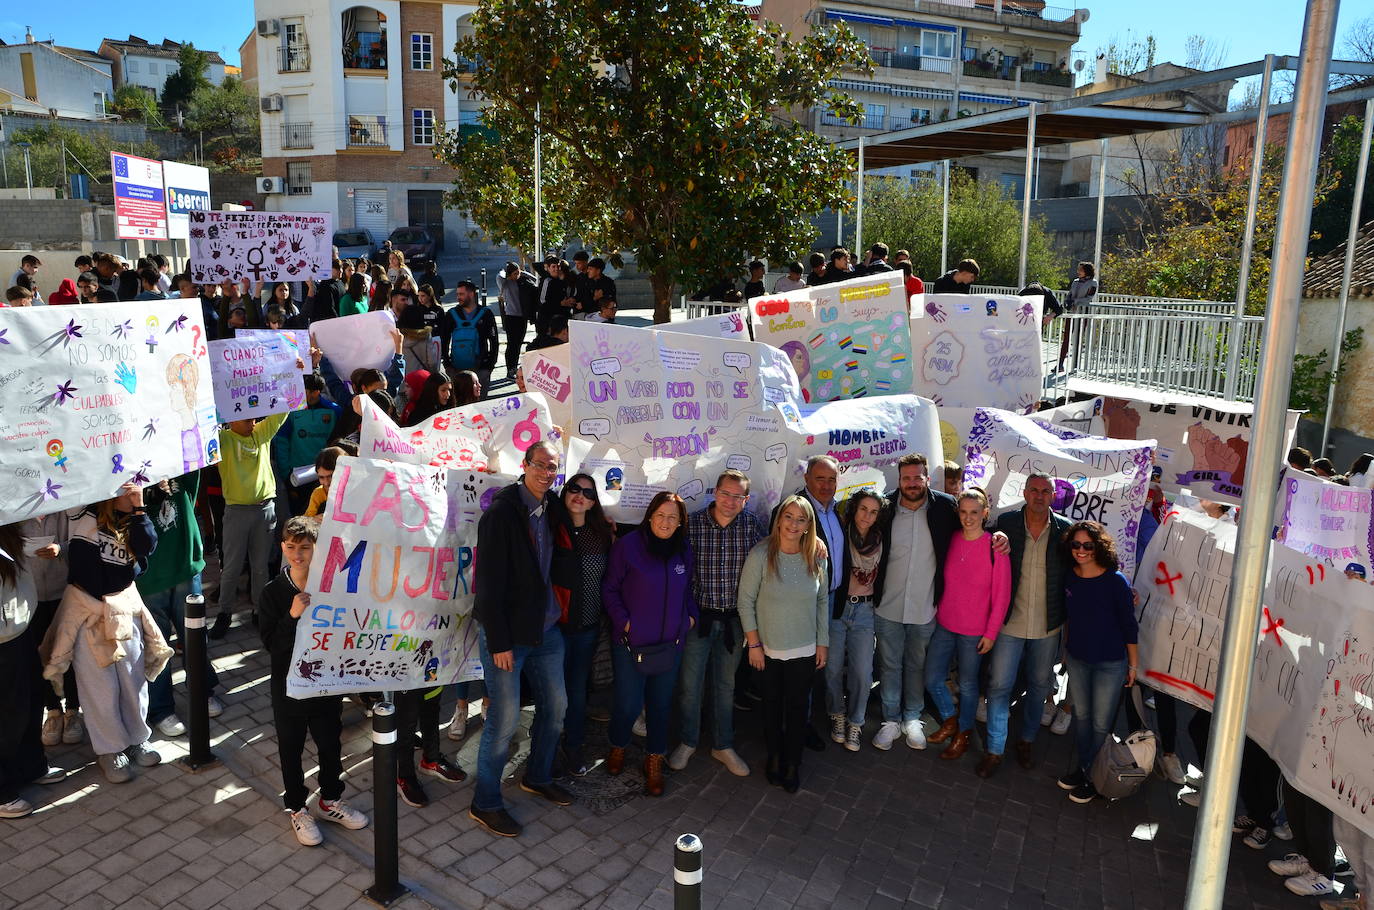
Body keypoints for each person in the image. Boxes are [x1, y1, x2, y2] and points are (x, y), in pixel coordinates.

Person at [470, 441, 573, 837]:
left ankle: (538, 776)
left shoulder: (552, 506)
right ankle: (485, 802)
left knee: (557, 707)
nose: (547, 473)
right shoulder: (501, 514)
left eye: (553, 467)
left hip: (546, 629)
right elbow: (487, 585)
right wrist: (498, 642)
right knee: (504, 720)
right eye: (540, 465)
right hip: (508, 636)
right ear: (525, 465)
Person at [41, 484, 173, 784]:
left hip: (124, 609)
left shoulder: (136, 517)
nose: (134, 493)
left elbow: (148, 546)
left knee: (133, 681)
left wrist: (139, 509)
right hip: (86, 612)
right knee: (100, 687)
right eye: (127, 490)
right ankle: (110, 750)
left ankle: (138, 738)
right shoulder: (81, 512)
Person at [259, 517, 369, 845]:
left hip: (326, 684)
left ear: (317, 549)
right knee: (291, 748)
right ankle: (297, 808)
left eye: (305, 548)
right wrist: (292, 616)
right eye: (291, 547)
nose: (298, 554)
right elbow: (272, 645)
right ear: (282, 547)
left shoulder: (331, 587)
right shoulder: (273, 592)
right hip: (289, 688)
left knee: (330, 744)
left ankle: (330, 800)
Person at [602, 492, 697, 795]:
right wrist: (626, 623)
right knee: (628, 704)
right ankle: (618, 746)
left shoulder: (684, 549)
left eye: (673, 517)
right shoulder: (628, 546)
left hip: (670, 644)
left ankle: (654, 758)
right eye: (660, 515)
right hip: (631, 643)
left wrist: (689, 620)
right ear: (650, 516)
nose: (666, 522)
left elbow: (689, 590)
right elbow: (610, 589)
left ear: (681, 522)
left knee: (660, 705)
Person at [672, 470, 765, 777]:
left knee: (726, 686)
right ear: (715, 492)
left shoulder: (751, 526)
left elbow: (775, 554)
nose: (730, 501)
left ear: (746, 500)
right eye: (726, 493)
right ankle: (688, 740)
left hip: (734, 621)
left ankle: (722, 744)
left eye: (738, 496)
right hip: (698, 619)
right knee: (690, 685)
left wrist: (813, 541)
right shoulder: (693, 524)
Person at [739, 495, 829, 793]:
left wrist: (823, 643)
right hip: (768, 651)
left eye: (800, 519)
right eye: (788, 516)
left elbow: (822, 601)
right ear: (778, 520)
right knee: (772, 708)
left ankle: (793, 763)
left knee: (798, 708)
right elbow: (745, 602)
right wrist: (754, 645)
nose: (793, 524)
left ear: (808, 525)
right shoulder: (760, 555)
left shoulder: (816, 556)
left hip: (805, 649)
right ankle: (775, 757)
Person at [988, 472, 1070, 772]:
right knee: (999, 685)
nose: (1039, 495)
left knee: (1039, 686)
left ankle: (1027, 740)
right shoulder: (1007, 523)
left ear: (1053, 496)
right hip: (1009, 623)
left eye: (1045, 491)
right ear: (1024, 493)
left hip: (1047, 627)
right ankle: (994, 749)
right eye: (1034, 490)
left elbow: (1081, 568)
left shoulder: (1065, 530)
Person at [924, 489, 1011, 771]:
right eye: (963, 512)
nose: (968, 518)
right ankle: (951, 720)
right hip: (945, 623)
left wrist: (991, 633)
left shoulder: (995, 548)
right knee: (932, 678)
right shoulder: (951, 539)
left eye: (974, 512)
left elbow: (1002, 596)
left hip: (975, 631)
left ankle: (963, 733)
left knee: (968, 685)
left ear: (985, 513)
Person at [1056, 521, 1139, 804]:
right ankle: (1085, 769)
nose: (1081, 550)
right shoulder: (1070, 576)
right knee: (1082, 719)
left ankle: (1094, 778)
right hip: (1078, 659)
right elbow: (1070, 617)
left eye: (1087, 545)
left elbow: (1129, 625)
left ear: (1099, 546)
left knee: (1101, 724)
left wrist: (1133, 665)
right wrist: (1066, 649)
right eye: (1076, 544)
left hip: (1110, 664)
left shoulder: (1116, 581)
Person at [137, 473, 224, 738]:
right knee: (157, 646)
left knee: (195, 637)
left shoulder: (179, 473)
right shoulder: (132, 481)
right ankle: (161, 709)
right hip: (150, 580)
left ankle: (202, 691)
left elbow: (195, 459)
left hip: (186, 569)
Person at [551, 473, 616, 777]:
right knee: (552, 693)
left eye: (588, 493)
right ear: (565, 492)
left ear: (594, 502)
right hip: (555, 627)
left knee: (576, 692)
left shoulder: (601, 534)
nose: (580, 496)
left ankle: (573, 746)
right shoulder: (550, 528)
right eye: (574, 489)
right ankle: (546, 749)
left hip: (587, 629)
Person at [0, 522, 66, 819]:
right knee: (7, 714)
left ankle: (31, 766)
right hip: (3, 640)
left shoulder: (9, 525)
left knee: (30, 702)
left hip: (19, 631)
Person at [211, 411, 290, 639]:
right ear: (231, 419)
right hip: (236, 511)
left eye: (254, 418)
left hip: (265, 509)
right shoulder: (222, 439)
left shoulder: (261, 433)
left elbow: (282, 411)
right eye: (247, 419)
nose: (253, 423)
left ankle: (259, 610)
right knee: (232, 567)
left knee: (260, 566)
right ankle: (224, 613)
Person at [826, 490, 887, 752]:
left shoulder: (881, 539)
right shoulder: (840, 533)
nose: (867, 516)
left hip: (865, 611)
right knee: (832, 668)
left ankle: (856, 721)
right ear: (854, 509)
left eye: (873, 512)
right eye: (863, 509)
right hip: (838, 608)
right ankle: (836, 714)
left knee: (862, 672)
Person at [22, 510, 82, 747]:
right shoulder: (17, 509)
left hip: (65, 592)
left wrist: (61, 548)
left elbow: (82, 541)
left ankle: (73, 711)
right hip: (30, 595)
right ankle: (53, 711)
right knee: (40, 656)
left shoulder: (64, 506)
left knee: (69, 652)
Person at [273, 374, 339, 514]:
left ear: (316, 392)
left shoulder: (335, 411)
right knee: (299, 516)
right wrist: (286, 474)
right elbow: (282, 442)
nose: (299, 393)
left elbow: (339, 442)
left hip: (325, 476)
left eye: (304, 390)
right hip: (297, 477)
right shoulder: (290, 412)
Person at [441, 280, 498, 394]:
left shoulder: (486, 314)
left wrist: (489, 366)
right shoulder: (451, 314)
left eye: (461, 294)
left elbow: (494, 341)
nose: (458, 297)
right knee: (459, 402)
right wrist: (447, 364)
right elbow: (444, 340)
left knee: (480, 401)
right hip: (456, 368)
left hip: (481, 367)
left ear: (471, 294)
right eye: (457, 294)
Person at [498, 262, 537, 376]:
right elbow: (499, 276)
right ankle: (510, 368)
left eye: (518, 273)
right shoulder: (505, 283)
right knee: (512, 344)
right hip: (511, 316)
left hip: (522, 316)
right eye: (515, 274)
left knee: (519, 343)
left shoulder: (521, 281)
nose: (517, 275)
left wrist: (522, 272)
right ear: (509, 274)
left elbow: (534, 279)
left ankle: (514, 367)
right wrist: (506, 272)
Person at [1058, 262, 1097, 371]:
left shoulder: (1093, 283)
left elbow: (1088, 298)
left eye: (1081, 270)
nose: (1078, 272)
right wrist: (1067, 301)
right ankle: (1060, 364)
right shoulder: (1075, 281)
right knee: (1066, 338)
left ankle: (1075, 365)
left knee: (1078, 339)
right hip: (1071, 312)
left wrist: (1075, 302)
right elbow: (1070, 294)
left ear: (1087, 271)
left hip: (1082, 313)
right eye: (1078, 269)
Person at [398, 284, 445, 372]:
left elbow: (443, 328)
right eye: (418, 296)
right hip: (420, 338)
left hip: (435, 340)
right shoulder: (417, 309)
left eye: (423, 296)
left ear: (430, 296)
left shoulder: (438, 309)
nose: (420, 298)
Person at [304, 446, 346, 518]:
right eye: (321, 477)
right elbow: (306, 519)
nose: (326, 483)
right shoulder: (319, 494)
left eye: (331, 476)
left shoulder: (355, 491)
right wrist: (314, 519)